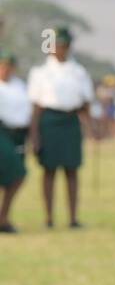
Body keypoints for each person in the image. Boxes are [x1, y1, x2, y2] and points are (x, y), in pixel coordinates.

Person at [27, 27, 94, 229]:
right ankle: (48, 218)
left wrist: (91, 126)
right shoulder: (40, 73)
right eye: (57, 45)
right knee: (49, 170)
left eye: (64, 45)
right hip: (48, 120)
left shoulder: (78, 72)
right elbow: (35, 107)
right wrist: (34, 135)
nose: (60, 49)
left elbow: (86, 102)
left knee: (72, 170)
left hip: (70, 120)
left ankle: (73, 218)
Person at [0, 51, 31, 232]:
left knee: (15, 177)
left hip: (19, 134)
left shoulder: (20, 86)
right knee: (17, 172)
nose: (5, 70)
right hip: (2, 131)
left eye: (8, 66)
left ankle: (3, 218)